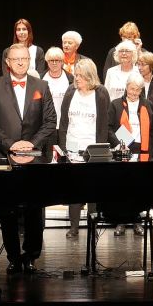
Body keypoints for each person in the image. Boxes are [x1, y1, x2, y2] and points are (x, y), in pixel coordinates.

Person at [0, 43, 58, 273]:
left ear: (29, 60)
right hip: (6, 156)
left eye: (24, 59)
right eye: (15, 59)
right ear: (7, 62)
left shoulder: (41, 85)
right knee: (8, 210)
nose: (20, 63)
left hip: (35, 157)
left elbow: (50, 121)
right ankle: (14, 257)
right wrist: (11, 144)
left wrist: (31, 144)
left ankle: (31, 255)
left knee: (35, 209)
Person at [57, 58, 111, 238]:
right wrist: (63, 148)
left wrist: (100, 150)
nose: (77, 78)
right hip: (72, 148)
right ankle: (73, 227)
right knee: (74, 189)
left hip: (92, 150)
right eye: (76, 75)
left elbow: (104, 125)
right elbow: (63, 122)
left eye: (81, 76)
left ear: (90, 76)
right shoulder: (70, 91)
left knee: (92, 190)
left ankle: (92, 226)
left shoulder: (101, 93)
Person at [109, 74, 153, 237]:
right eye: (132, 88)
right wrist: (119, 143)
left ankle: (137, 221)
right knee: (122, 187)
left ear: (142, 90)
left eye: (137, 89)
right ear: (126, 87)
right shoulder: (115, 104)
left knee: (139, 188)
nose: (134, 92)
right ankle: (121, 222)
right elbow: (108, 128)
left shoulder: (148, 105)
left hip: (143, 151)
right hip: (123, 149)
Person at [41, 47, 74, 124]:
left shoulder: (70, 79)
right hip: (45, 124)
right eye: (51, 60)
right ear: (47, 61)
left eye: (57, 60)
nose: (54, 63)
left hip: (65, 123)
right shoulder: (41, 78)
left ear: (62, 62)